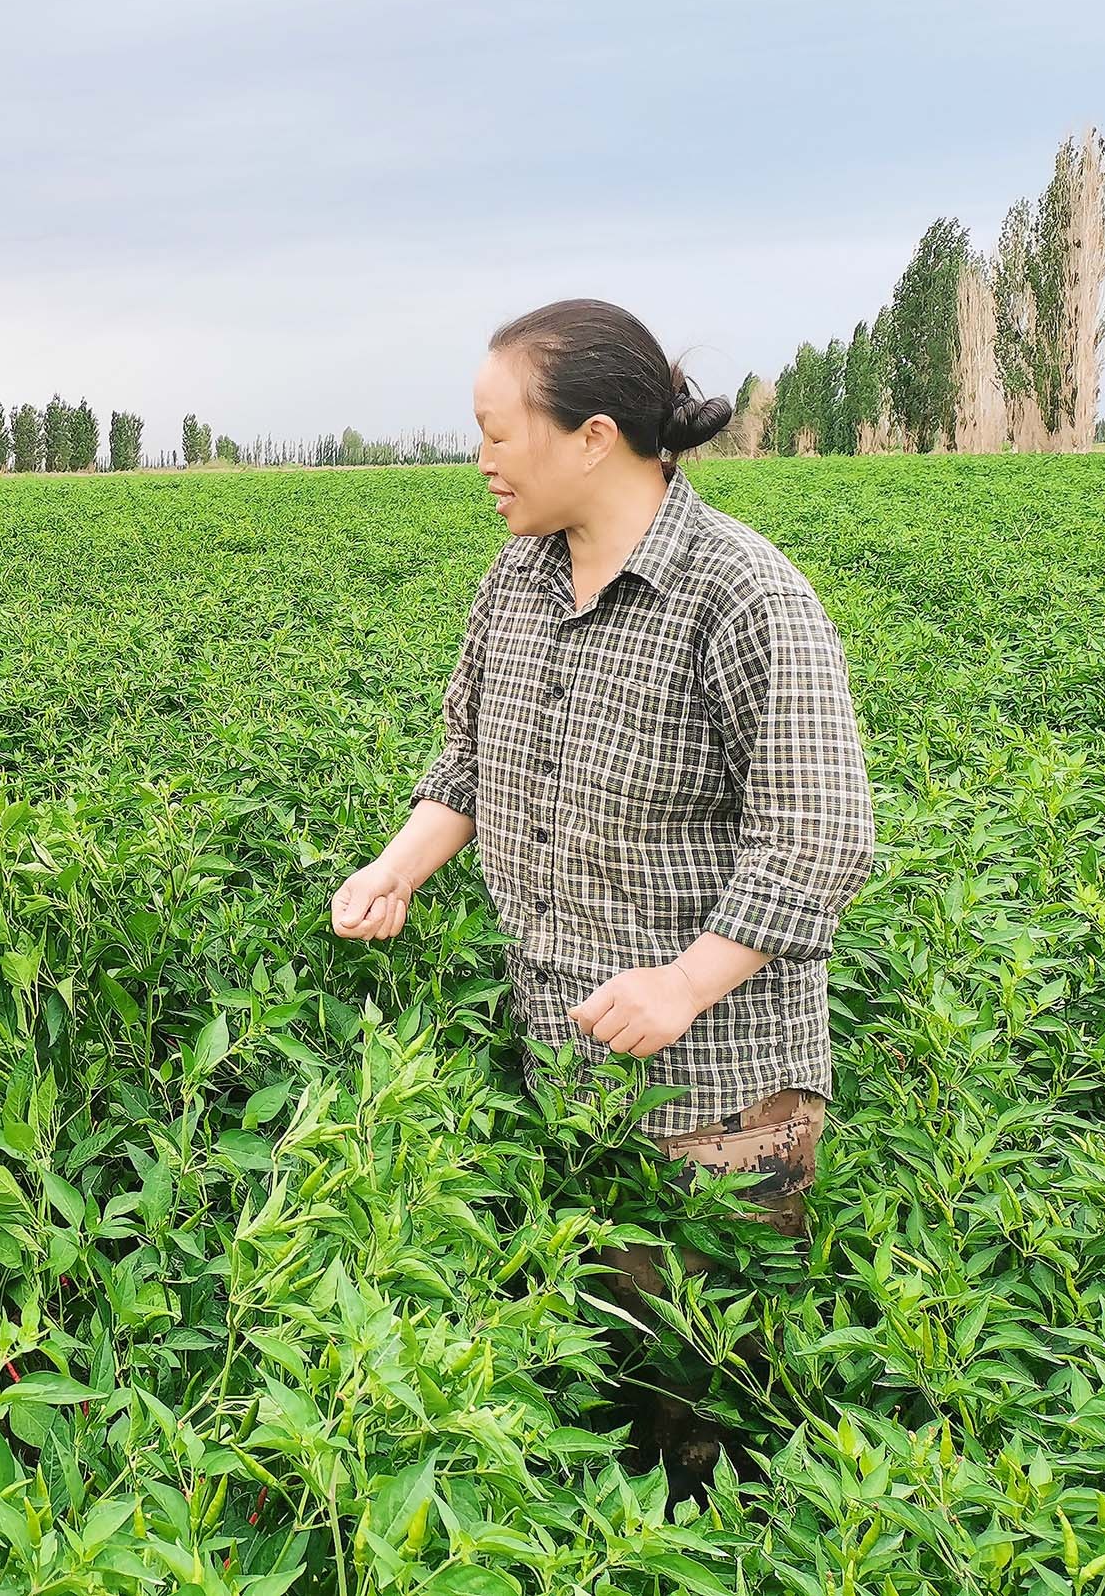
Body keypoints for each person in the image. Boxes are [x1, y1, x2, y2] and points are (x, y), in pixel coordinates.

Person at [330, 299, 875, 1463]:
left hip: (718, 1106)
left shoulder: (740, 594)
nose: (479, 463)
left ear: (590, 436)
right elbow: (466, 761)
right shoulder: (516, 581)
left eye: (495, 433)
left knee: (709, 1410)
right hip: (566, 1073)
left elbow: (819, 837)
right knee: (600, 1385)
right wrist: (395, 870)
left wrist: (683, 983)